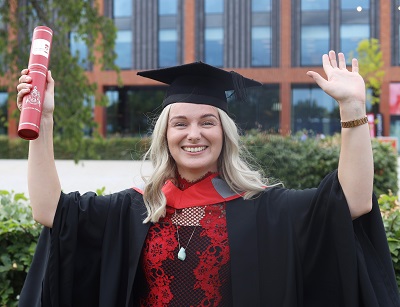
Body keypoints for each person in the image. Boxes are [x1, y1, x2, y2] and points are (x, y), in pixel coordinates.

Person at [17, 51, 399, 307]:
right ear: (165, 136)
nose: (193, 134)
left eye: (207, 122)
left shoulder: (266, 209)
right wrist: (44, 120)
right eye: (180, 123)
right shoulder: (134, 209)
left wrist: (352, 109)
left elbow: (354, 201)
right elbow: (50, 209)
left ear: (225, 133)